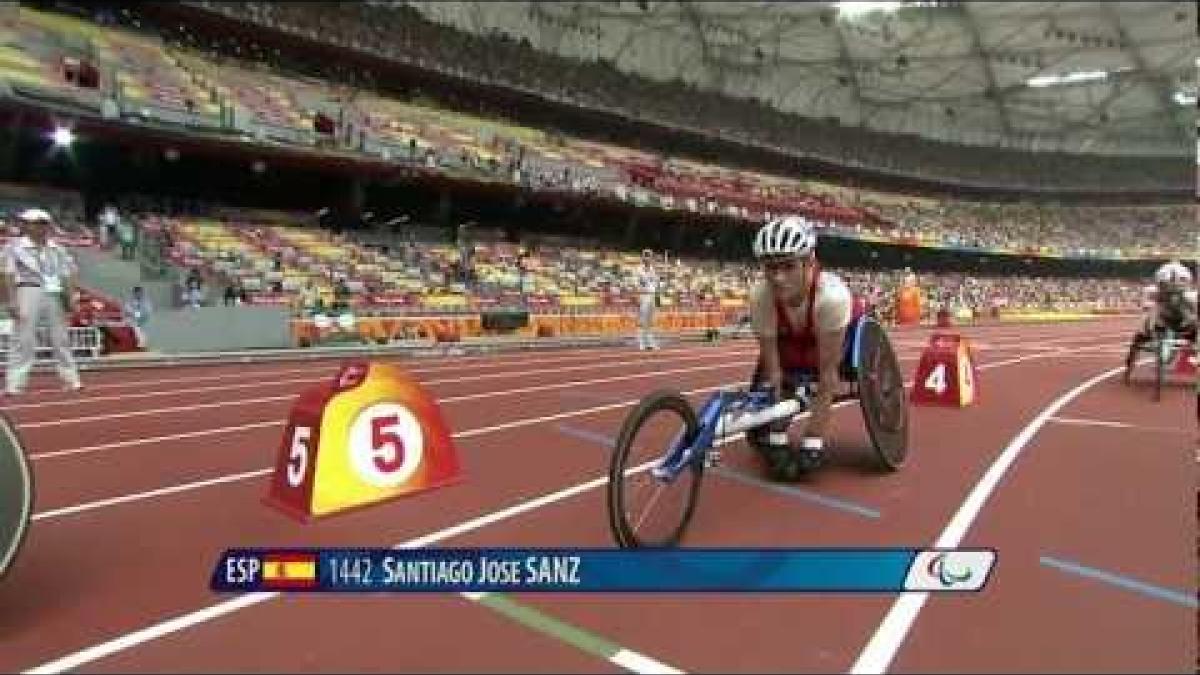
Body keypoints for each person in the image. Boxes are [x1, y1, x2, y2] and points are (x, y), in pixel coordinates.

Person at [747, 215, 854, 480]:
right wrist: (777, 435)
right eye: (770, 268)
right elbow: (773, 370)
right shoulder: (761, 295)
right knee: (778, 376)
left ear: (809, 263)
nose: (778, 278)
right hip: (792, 338)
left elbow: (828, 376)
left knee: (822, 377)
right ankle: (776, 432)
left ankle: (814, 437)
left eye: (788, 267)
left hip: (828, 333)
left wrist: (812, 438)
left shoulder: (832, 297)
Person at [2, 208, 82, 394]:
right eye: (36, 223)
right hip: (28, 289)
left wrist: (71, 297)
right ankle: (15, 383)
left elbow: (68, 273)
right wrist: (11, 301)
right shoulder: (14, 247)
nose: (40, 227)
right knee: (23, 337)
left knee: (61, 337)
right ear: (26, 225)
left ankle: (71, 380)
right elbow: (7, 274)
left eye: (43, 223)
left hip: (54, 292)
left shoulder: (57, 249)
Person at [1132, 260, 1197, 348]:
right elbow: (1146, 306)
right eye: (1166, 286)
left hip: (1182, 323)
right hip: (1163, 322)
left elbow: (1194, 315)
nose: (1171, 291)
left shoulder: (1190, 297)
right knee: (1145, 325)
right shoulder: (1153, 291)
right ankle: (1134, 352)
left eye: (1175, 288)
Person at [635, 248, 660, 351]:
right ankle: (641, 343)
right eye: (646, 256)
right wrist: (638, 296)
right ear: (643, 257)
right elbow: (637, 284)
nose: (647, 258)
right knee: (642, 320)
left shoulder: (652, 269)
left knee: (651, 321)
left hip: (652, 296)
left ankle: (650, 343)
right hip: (643, 295)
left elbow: (655, 283)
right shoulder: (639, 269)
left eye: (649, 256)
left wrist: (657, 293)